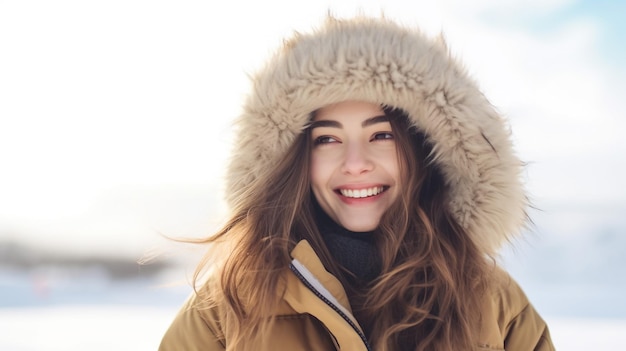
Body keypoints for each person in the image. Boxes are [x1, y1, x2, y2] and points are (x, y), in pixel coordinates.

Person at [159, 16, 555, 351]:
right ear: (294, 160)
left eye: (382, 135)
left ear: (424, 150)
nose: (355, 164)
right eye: (327, 139)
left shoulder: (496, 304)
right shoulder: (225, 309)